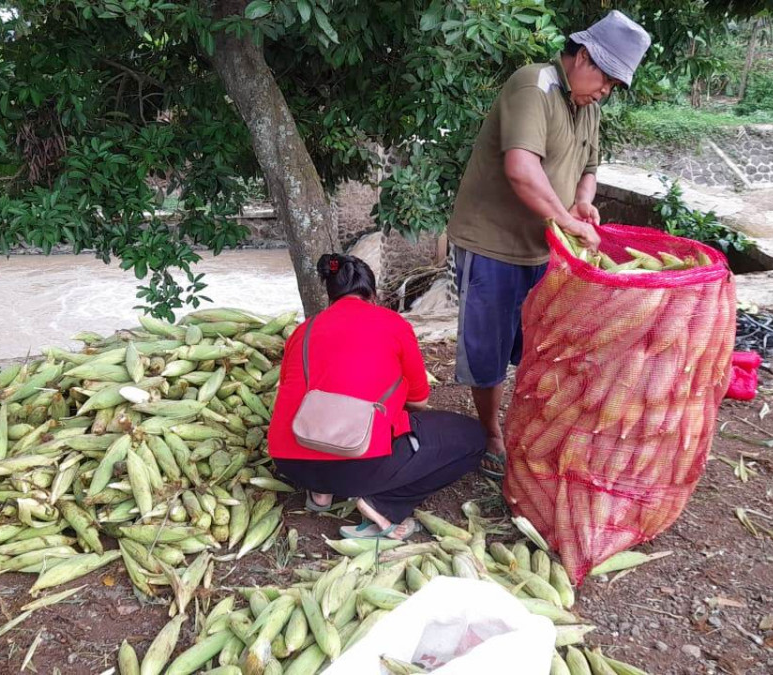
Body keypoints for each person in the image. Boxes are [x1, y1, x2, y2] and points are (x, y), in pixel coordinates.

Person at [446, 10, 652, 478]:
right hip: (493, 242)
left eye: (616, 86)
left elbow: (589, 167)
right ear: (583, 57)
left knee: (540, 343)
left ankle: (526, 423)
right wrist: (563, 219)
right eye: (607, 79)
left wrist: (581, 202)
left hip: (545, 246)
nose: (607, 92)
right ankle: (491, 435)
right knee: (489, 347)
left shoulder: (589, 107)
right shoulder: (533, 86)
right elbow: (521, 168)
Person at [267, 253, 487, 540]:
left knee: (323, 427)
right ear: (373, 293)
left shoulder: (302, 330)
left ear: (329, 295)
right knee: (472, 438)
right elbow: (419, 401)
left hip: (292, 462)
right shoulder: (392, 323)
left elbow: (290, 393)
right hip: (358, 465)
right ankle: (382, 505)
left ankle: (320, 495)